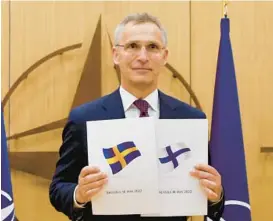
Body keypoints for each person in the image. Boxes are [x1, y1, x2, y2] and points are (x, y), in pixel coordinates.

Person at [49, 12, 225, 221]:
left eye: (152, 47)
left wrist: (216, 195)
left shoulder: (191, 120)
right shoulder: (85, 119)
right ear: (116, 55)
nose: (143, 56)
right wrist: (78, 194)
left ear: (164, 56)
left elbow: (207, 197)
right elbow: (58, 188)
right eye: (132, 46)